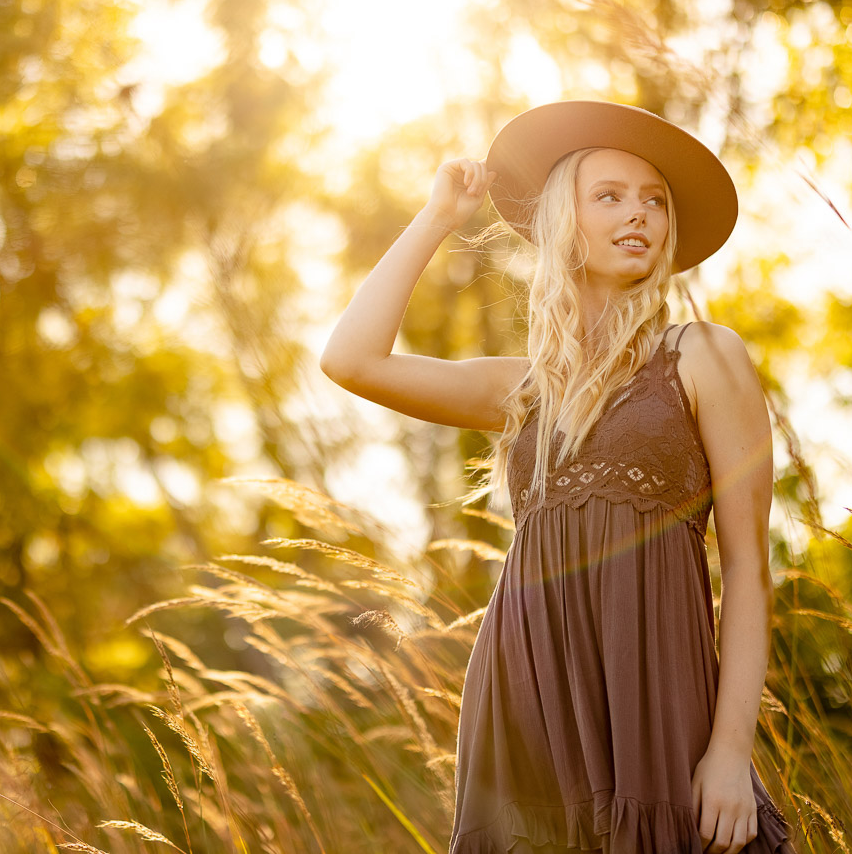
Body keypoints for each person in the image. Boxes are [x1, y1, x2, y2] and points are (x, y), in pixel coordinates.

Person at [318, 100, 798, 854]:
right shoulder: (527, 389)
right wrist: (438, 216)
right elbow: (351, 360)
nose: (638, 213)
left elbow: (746, 568)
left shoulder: (702, 355)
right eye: (609, 195)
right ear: (561, 221)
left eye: (655, 201)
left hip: (654, 700)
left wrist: (730, 750)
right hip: (526, 703)